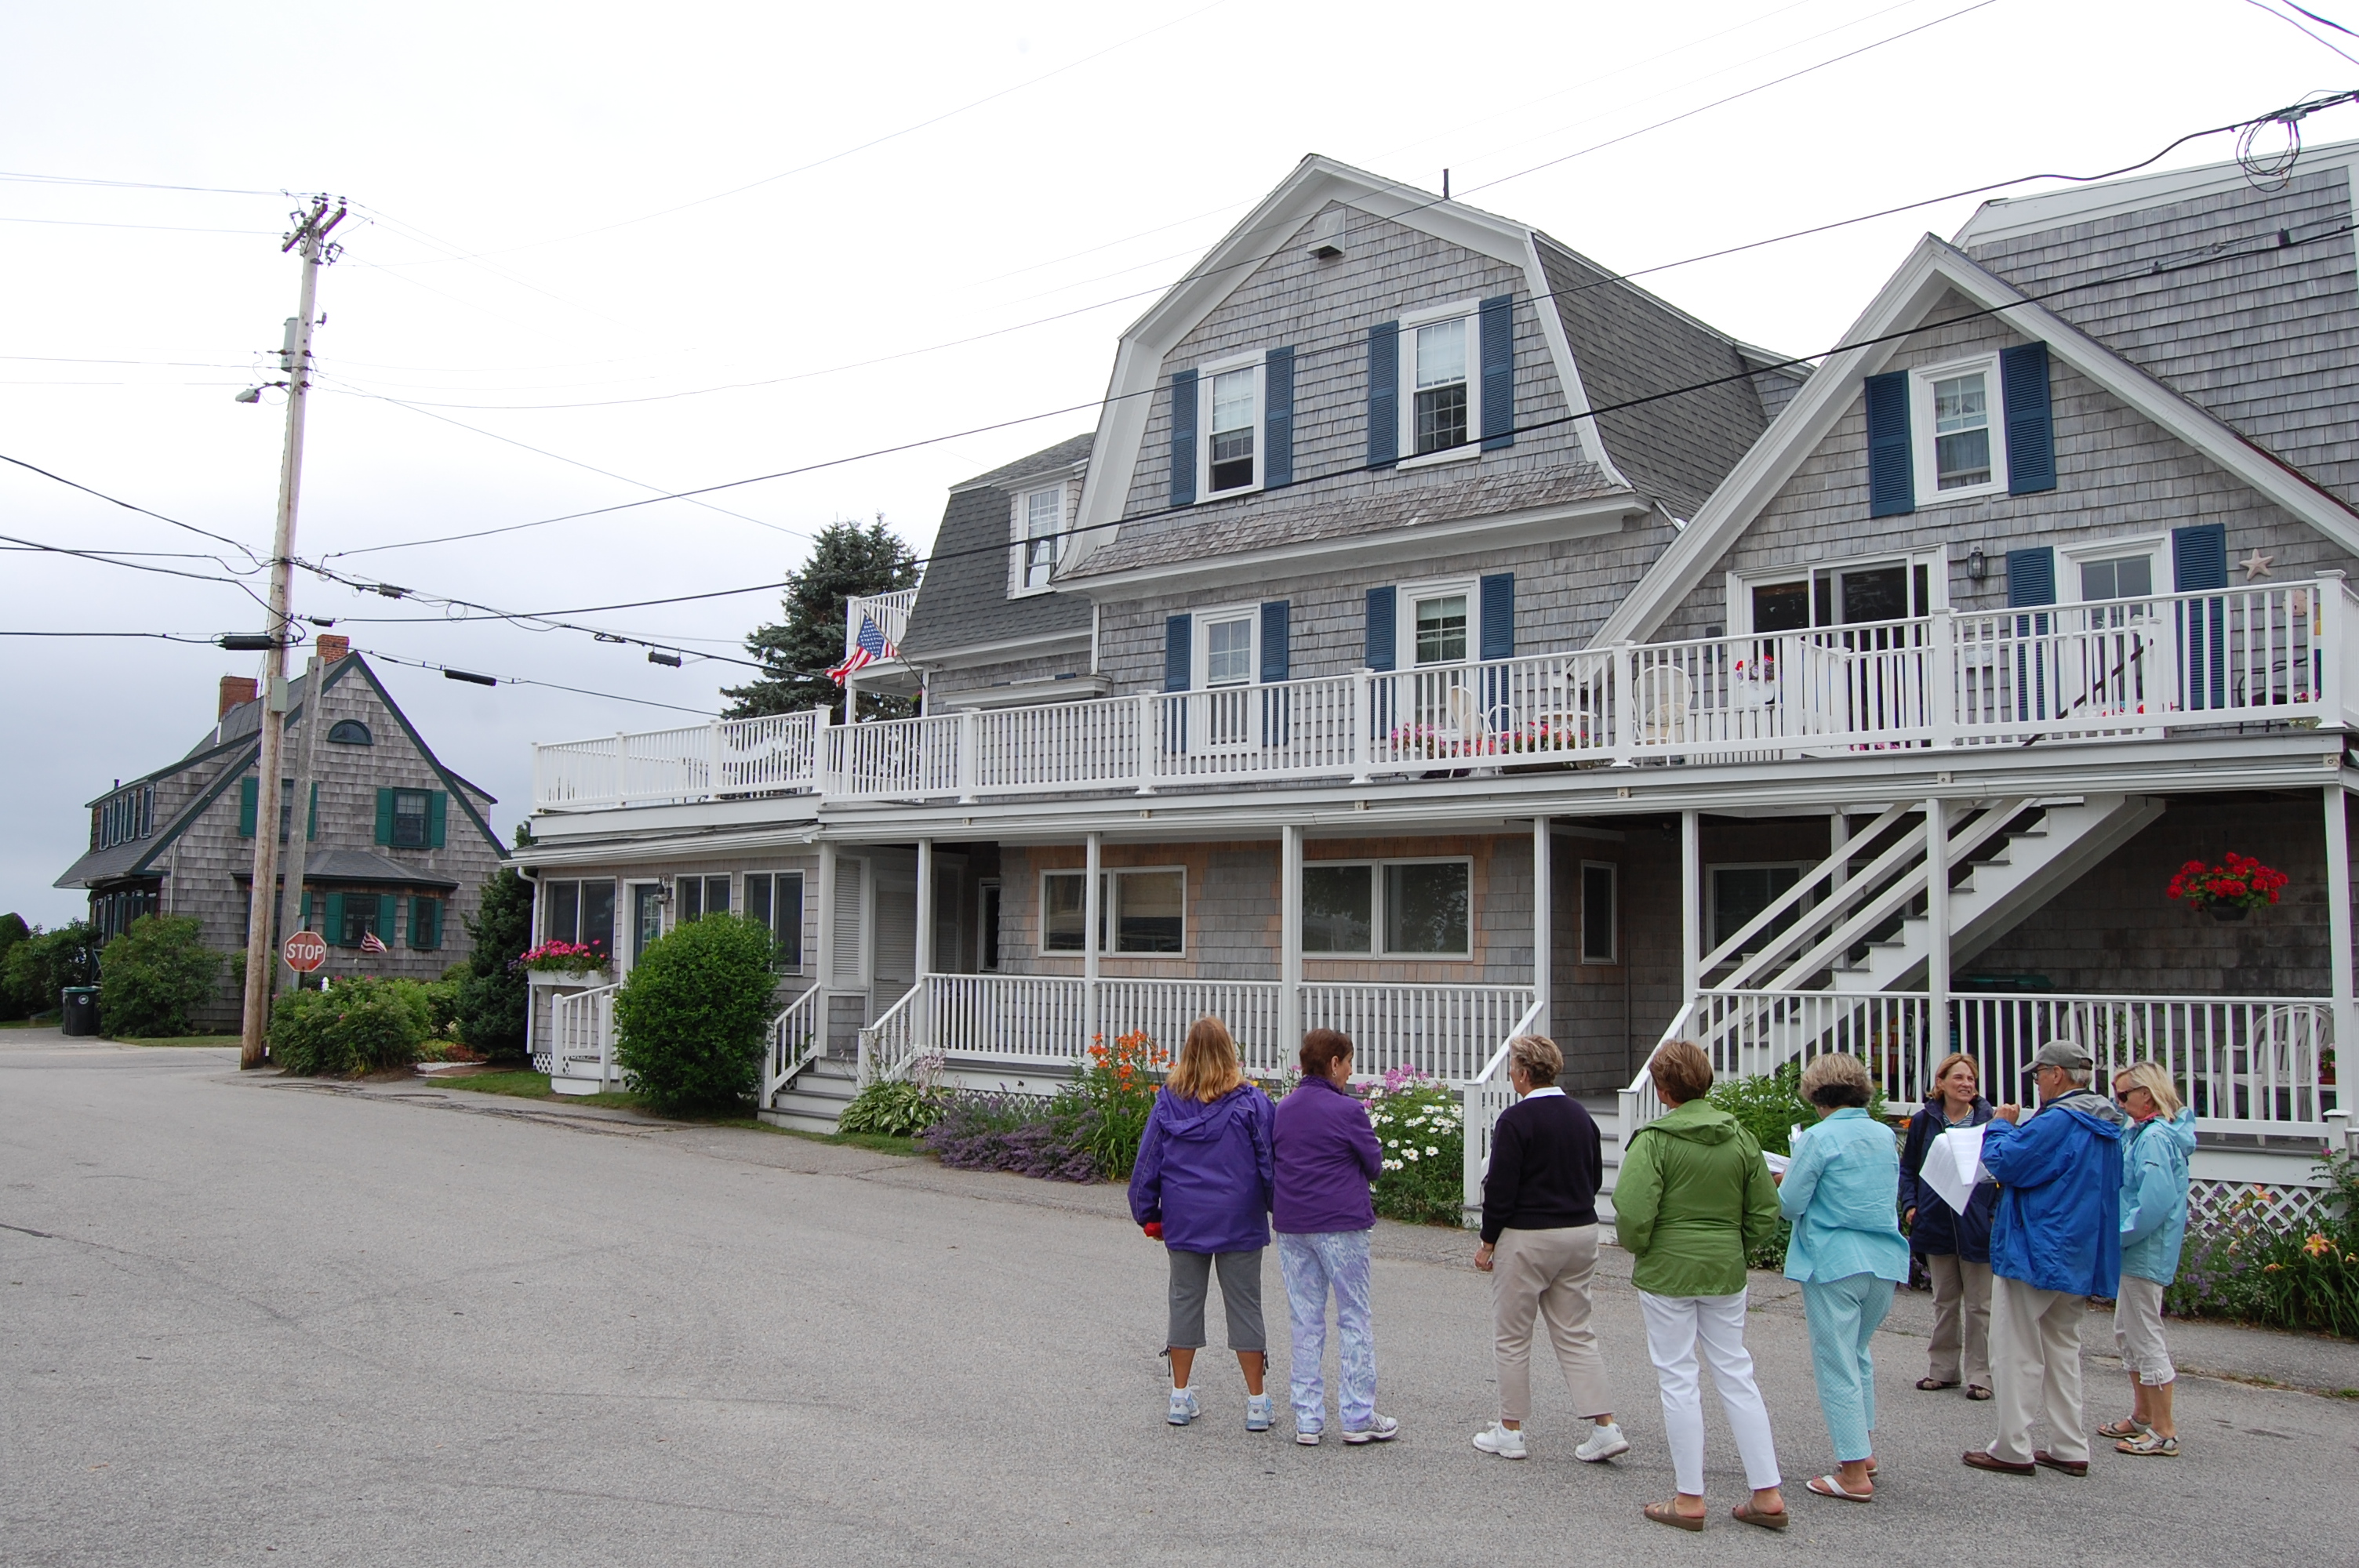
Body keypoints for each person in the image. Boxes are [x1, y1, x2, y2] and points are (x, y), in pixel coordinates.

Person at [1614, 1040, 1788, 1533]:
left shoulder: (1654, 1139)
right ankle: (1766, 1491)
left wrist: (1641, 1246)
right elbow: (1764, 1211)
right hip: (1724, 1266)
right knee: (1736, 1372)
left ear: (1663, 1090)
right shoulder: (1740, 1138)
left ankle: (1690, 1496)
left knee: (1678, 1376)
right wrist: (1737, 1246)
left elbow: (1632, 1211)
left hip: (1667, 1268)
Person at [1962, 1040, 2126, 1479]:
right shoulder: (2106, 1122)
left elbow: (2006, 1162)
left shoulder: (2060, 1119)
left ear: (2057, 1074)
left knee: (2013, 1346)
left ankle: (2013, 1447)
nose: (2036, 1083)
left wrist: (1999, 1125)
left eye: (2038, 1075)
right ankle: (2070, 1445)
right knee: (2062, 1348)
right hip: (2077, 1248)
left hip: (2037, 1244)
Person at [1470, 1034, 1626, 1465]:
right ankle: (1604, 1425)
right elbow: (1593, 1178)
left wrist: (1487, 1242)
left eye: (1512, 1066)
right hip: (1580, 1232)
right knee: (1577, 1333)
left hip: (1528, 1236)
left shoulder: (1515, 1121)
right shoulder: (1582, 1117)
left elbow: (1500, 1189)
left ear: (1522, 1073)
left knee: (1513, 1335)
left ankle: (1511, 1430)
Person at [1129, 1016, 1277, 1431]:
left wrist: (1149, 1214)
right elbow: (1270, 1162)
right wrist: (1275, 1207)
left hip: (1185, 1217)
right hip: (1239, 1217)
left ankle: (1179, 1396)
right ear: (1230, 1050)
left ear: (1187, 1051)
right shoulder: (1252, 1102)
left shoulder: (1168, 1101)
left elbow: (1147, 1166)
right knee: (1245, 1305)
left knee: (1184, 1301)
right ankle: (1257, 1403)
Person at [1779, 1053, 1910, 1504]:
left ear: (1817, 1094)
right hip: (1885, 1258)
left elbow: (1790, 1203)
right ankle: (1863, 1450)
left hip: (1834, 1259)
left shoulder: (1817, 1138)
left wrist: (1783, 1177)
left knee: (1835, 1362)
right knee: (1858, 1354)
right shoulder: (1883, 1135)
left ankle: (1854, 1472)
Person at [1271, 1027, 1397, 1446]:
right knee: (1354, 1317)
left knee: (1305, 1320)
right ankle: (1357, 1414)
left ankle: (1308, 1418)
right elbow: (1374, 1164)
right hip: (1341, 1223)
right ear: (1333, 1064)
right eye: (1348, 1063)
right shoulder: (1348, 1111)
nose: (1349, 1072)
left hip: (1294, 1224)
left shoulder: (1283, 1109)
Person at [2102, 1060, 2195, 1457]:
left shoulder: (2155, 1138)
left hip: (2143, 1249)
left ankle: (2164, 1429)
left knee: (2144, 1333)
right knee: (2128, 1331)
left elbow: (2153, 1201)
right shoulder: (2143, 1134)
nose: (2120, 1104)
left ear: (2146, 1094)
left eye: (2124, 1095)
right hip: (2135, 1249)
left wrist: (2117, 1236)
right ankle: (2143, 1414)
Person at [1899, 1052, 1997, 1399]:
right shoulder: (1925, 1122)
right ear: (1941, 1083)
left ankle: (1981, 1375)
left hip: (1976, 1225)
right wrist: (1911, 1206)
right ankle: (1943, 1369)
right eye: (1958, 1078)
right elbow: (1909, 1168)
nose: (1966, 1084)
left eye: (1971, 1078)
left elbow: (2002, 1171)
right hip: (1936, 1223)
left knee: (1980, 1306)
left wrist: (1991, 1213)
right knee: (1944, 1301)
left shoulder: (1989, 1120)